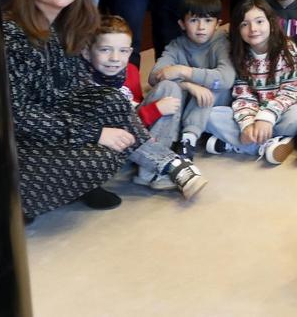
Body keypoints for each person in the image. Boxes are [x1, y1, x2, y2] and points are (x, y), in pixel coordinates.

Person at [4, 0, 203, 220]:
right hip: (11, 145)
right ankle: (23, 199)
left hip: (47, 128)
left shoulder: (61, 28)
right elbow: (17, 118)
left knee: (111, 102)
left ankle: (163, 163)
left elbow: (77, 92)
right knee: (104, 155)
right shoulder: (11, 35)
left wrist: (112, 105)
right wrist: (94, 134)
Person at [81, 14, 206, 196]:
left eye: (123, 51)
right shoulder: (85, 82)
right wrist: (154, 111)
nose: (115, 58)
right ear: (87, 52)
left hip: (139, 140)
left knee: (170, 87)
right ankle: (168, 164)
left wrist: (155, 110)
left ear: (130, 52)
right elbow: (109, 129)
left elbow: (135, 109)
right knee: (120, 114)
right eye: (105, 50)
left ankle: (150, 173)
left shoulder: (129, 71)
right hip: (112, 146)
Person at [204, 0, 297, 164]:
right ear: (237, 29)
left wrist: (266, 117)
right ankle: (268, 143)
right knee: (208, 115)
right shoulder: (239, 54)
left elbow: (291, 92)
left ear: (271, 23)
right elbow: (242, 95)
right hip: (251, 111)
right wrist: (247, 124)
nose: (253, 29)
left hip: (282, 110)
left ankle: (239, 143)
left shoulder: (288, 48)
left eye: (259, 21)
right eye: (245, 24)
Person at [146, 0, 236, 162]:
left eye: (208, 20)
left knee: (210, 86)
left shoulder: (222, 42)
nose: (201, 27)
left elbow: (226, 78)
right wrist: (187, 85)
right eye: (194, 20)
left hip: (218, 101)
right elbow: (153, 77)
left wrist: (182, 71)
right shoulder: (176, 46)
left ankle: (188, 140)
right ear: (182, 23)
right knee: (171, 88)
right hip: (189, 102)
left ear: (218, 24)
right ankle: (179, 137)